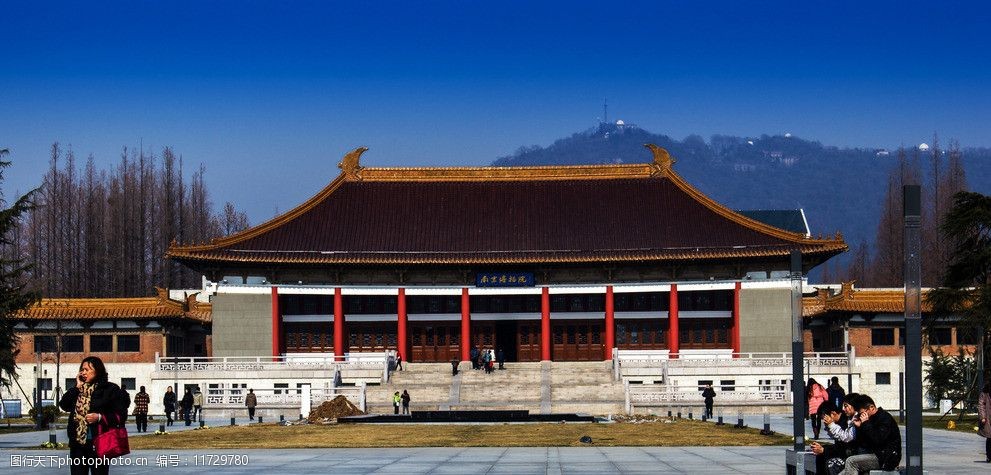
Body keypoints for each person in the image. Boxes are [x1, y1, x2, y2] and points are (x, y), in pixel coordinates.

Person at [58, 356, 129, 475]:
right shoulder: (79, 389)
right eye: (82, 369)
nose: (83, 373)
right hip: (78, 444)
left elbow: (121, 415)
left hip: (99, 443)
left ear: (98, 370)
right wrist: (77, 387)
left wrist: (100, 417)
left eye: (87, 370)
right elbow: (64, 405)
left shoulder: (110, 389)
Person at [839, 395, 901, 474]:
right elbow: (864, 441)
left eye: (862, 413)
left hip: (886, 457)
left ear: (871, 407)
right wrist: (859, 426)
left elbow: (878, 439)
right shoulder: (870, 419)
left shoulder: (884, 418)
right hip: (875, 453)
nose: (861, 416)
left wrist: (865, 423)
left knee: (851, 462)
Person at [810, 400, 852, 475]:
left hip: (849, 453)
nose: (824, 421)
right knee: (820, 455)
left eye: (825, 418)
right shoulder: (838, 422)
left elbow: (844, 444)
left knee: (827, 460)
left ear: (833, 414)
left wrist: (824, 450)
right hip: (843, 450)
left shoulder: (845, 421)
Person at [978, 381, 991, 463]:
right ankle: (989, 456)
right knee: (990, 437)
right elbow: (981, 405)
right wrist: (983, 417)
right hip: (988, 417)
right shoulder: (984, 393)